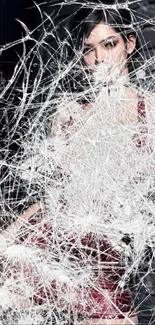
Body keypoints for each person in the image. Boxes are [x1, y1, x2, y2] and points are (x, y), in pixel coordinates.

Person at [1, 6, 154, 325]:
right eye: (88, 50)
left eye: (109, 45)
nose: (99, 59)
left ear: (130, 43)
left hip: (106, 258)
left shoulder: (149, 112)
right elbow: (52, 199)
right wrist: (9, 234)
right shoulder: (69, 116)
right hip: (51, 249)